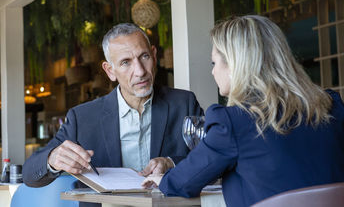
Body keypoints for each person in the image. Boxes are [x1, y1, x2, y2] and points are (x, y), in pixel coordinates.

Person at [142, 15, 344, 207]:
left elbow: (184, 183)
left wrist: (164, 180)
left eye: (214, 62)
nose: (212, 71)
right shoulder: (331, 105)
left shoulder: (233, 121)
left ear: (234, 65)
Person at [22, 23, 202, 192]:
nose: (140, 71)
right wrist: (52, 159)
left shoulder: (184, 103)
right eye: (126, 62)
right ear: (110, 71)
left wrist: (170, 162)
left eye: (144, 56)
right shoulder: (82, 118)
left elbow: (211, 156)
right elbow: (30, 174)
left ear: (154, 56)